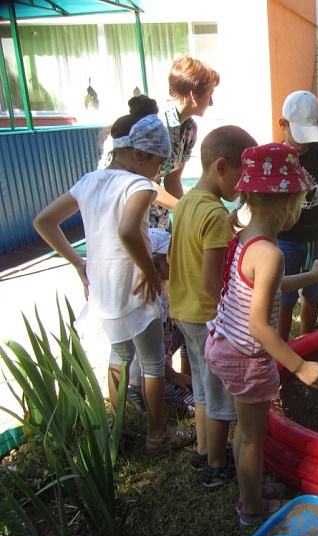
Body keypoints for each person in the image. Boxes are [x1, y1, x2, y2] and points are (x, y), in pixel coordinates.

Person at [33, 98, 195, 451]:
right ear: (139, 155)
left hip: (104, 291)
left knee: (118, 356)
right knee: (152, 363)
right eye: (157, 163)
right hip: (134, 289)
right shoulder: (138, 186)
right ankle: (157, 435)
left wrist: (78, 262)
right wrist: (149, 269)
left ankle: (117, 431)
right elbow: (126, 230)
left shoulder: (90, 181)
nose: (157, 171)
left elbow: (43, 221)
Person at [206, 142, 318, 526]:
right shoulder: (272, 252)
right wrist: (299, 366)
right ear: (288, 202)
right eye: (300, 200)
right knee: (250, 438)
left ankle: (252, 489)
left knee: (246, 433)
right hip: (246, 357)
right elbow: (260, 326)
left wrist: (309, 276)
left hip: (223, 344)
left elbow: (264, 285)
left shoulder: (247, 237)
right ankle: (252, 507)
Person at [169, 125, 257, 491]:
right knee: (220, 393)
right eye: (243, 175)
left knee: (203, 389)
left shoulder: (188, 201)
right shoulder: (216, 217)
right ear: (222, 166)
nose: (244, 185)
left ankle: (204, 450)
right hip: (209, 317)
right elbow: (212, 282)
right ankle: (218, 466)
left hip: (183, 311)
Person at [98, 55, 220, 230]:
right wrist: (183, 209)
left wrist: (184, 221)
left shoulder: (190, 128)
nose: (211, 102)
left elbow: (173, 180)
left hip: (152, 211)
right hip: (122, 207)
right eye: (210, 94)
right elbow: (141, 179)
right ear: (193, 94)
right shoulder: (155, 124)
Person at [277, 91, 318, 340]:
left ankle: (307, 340)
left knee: (313, 293)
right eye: (300, 134)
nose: (304, 143)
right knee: (285, 297)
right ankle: (282, 347)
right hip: (287, 239)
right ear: (283, 124)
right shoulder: (277, 156)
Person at [126, 228, 194, 414]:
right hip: (151, 375)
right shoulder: (147, 298)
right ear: (153, 264)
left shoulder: (162, 289)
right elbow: (149, 352)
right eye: (169, 260)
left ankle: (189, 376)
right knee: (199, 403)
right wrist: (173, 376)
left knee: (190, 328)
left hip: (164, 362)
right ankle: (137, 392)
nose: (175, 264)